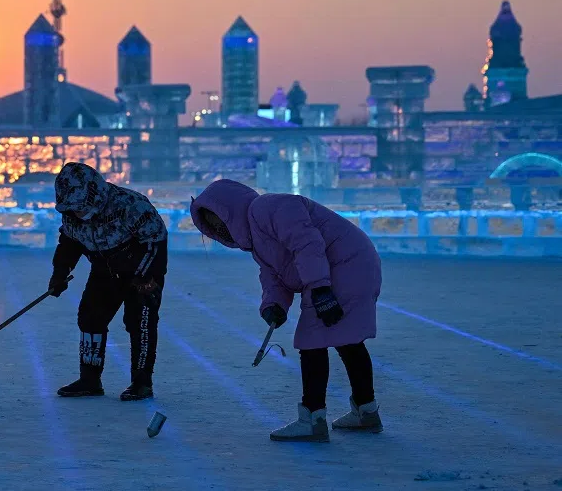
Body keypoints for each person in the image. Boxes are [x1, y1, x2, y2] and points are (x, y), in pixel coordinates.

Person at [190, 179, 383, 442]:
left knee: (312, 341)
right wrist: (274, 305)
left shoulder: (267, 207)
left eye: (218, 220)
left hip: (343, 265)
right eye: (212, 227)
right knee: (346, 340)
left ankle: (312, 419)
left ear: (229, 209)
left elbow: (307, 243)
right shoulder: (257, 241)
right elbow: (275, 276)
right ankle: (366, 410)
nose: (219, 229)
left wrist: (319, 287)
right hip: (345, 265)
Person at [48, 162, 168, 401]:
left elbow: (156, 239)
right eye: (71, 208)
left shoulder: (130, 205)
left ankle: (141, 383)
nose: (76, 213)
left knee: (140, 323)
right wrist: (60, 272)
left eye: (79, 207)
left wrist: (145, 278)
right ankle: (90, 379)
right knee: (90, 316)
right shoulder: (71, 214)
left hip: (141, 269)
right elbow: (70, 242)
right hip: (104, 268)